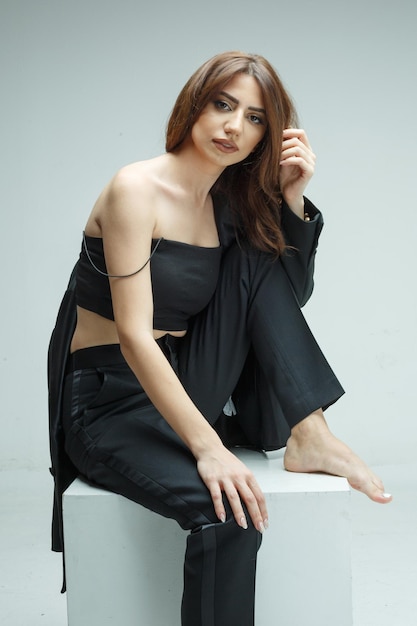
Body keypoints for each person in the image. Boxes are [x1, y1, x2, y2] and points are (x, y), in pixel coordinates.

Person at [48, 50, 392, 625]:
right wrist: (209, 449)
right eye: (223, 105)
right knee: (231, 515)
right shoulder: (136, 189)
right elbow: (134, 335)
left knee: (259, 258)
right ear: (194, 105)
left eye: (256, 118)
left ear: (268, 136)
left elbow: (284, 300)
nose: (235, 127)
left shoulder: (225, 206)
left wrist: (292, 199)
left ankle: (311, 433)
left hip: (182, 382)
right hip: (110, 403)